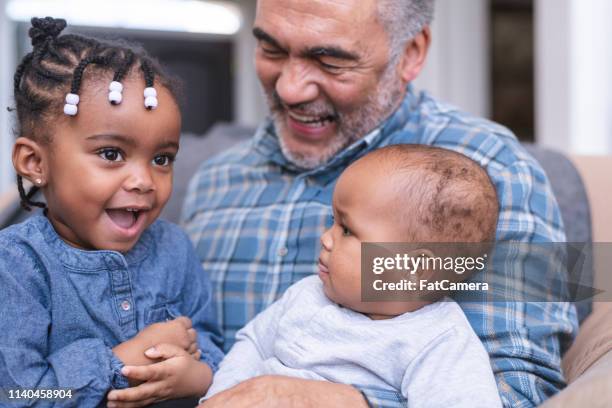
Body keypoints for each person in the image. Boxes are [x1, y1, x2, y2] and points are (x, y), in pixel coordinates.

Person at [183, 0, 577, 406]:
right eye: (271, 49)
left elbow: (523, 392)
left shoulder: (492, 172)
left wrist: (336, 401)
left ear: (410, 52)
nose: (289, 88)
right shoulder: (214, 180)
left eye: (330, 60)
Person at [0, 17, 223, 407]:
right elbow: (16, 396)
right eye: (111, 154)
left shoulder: (175, 248)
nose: (143, 180)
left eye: (161, 158)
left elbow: (210, 344)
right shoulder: (16, 265)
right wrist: (120, 361)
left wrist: (202, 376)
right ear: (35, 162)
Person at [203, 145, 503, 408]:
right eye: (333, 222)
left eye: (346, 230)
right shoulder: (307, 293)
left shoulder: (438, 341)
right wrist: (221, 396)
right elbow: (254, 343)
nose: (325, 238)